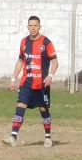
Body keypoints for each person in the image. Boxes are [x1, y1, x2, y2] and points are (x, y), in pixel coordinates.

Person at [4, 16, 57, 147]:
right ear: (28, 27)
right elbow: (21, 61)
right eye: (30, 26)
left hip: (42, 84)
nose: (33, 28)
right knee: (20, 107)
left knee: (43, 109)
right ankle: (13, 137)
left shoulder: (46, 42)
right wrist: (13, 79)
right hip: (26, 83)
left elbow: (55, 62)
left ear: (39, 27)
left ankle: (48, 138)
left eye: (35, 25)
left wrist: (50, 75)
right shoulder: (24, 42)